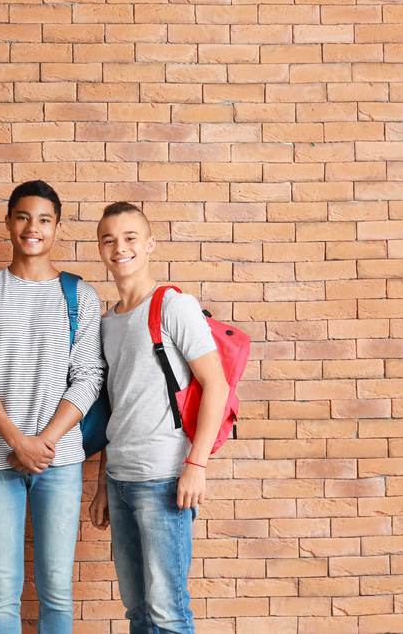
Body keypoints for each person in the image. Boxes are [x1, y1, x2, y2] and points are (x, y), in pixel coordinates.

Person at [0, 180, 105, 633]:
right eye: (23, 217)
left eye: (44, 219)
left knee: (57, 586)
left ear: (57, 227)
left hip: (58, 461)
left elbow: (88, 377)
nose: (32, 228)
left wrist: (43, 443)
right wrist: (17, 441)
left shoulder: (81, 296)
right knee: (1, 588)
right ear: (8, 222)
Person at [89, 202, 229, 634]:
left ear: (149, 244)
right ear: (101, 249)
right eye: (109, 239)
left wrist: (196, 465)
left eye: (130, 237)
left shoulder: (173, 305)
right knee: (138, 611)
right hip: (121, 480)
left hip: (165, 479)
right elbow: (115, 406)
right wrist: (102, 484)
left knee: (168, 613)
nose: (120, 247)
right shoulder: (108, 323)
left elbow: (217, 386)